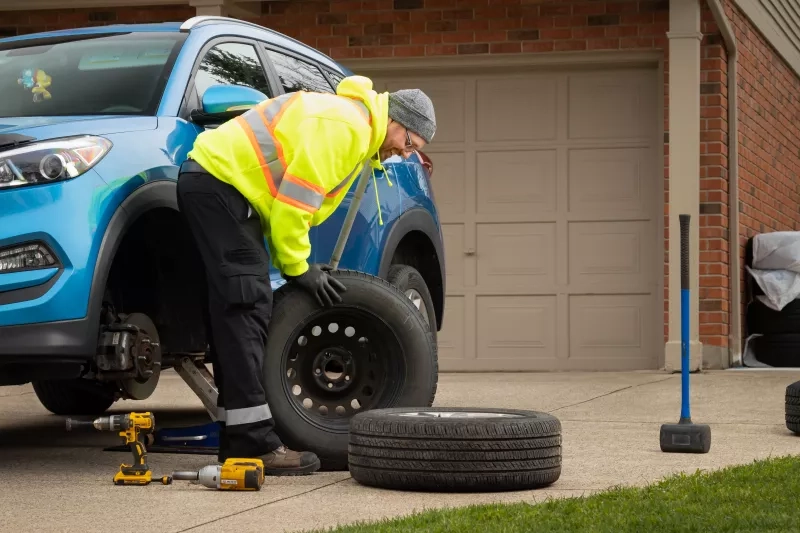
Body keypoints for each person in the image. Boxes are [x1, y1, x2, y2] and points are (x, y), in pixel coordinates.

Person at [176, 75, 437, 476]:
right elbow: (292, 208)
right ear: (397, 122)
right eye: (409, 144)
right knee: (246, 306)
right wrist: (301, 270)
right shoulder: (347, 128)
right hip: (218, 184)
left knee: (239, 310)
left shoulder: (356, 127)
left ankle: (237, 441)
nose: (403, 154)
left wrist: (297, 265)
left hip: (219, 187)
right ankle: (255, 445)